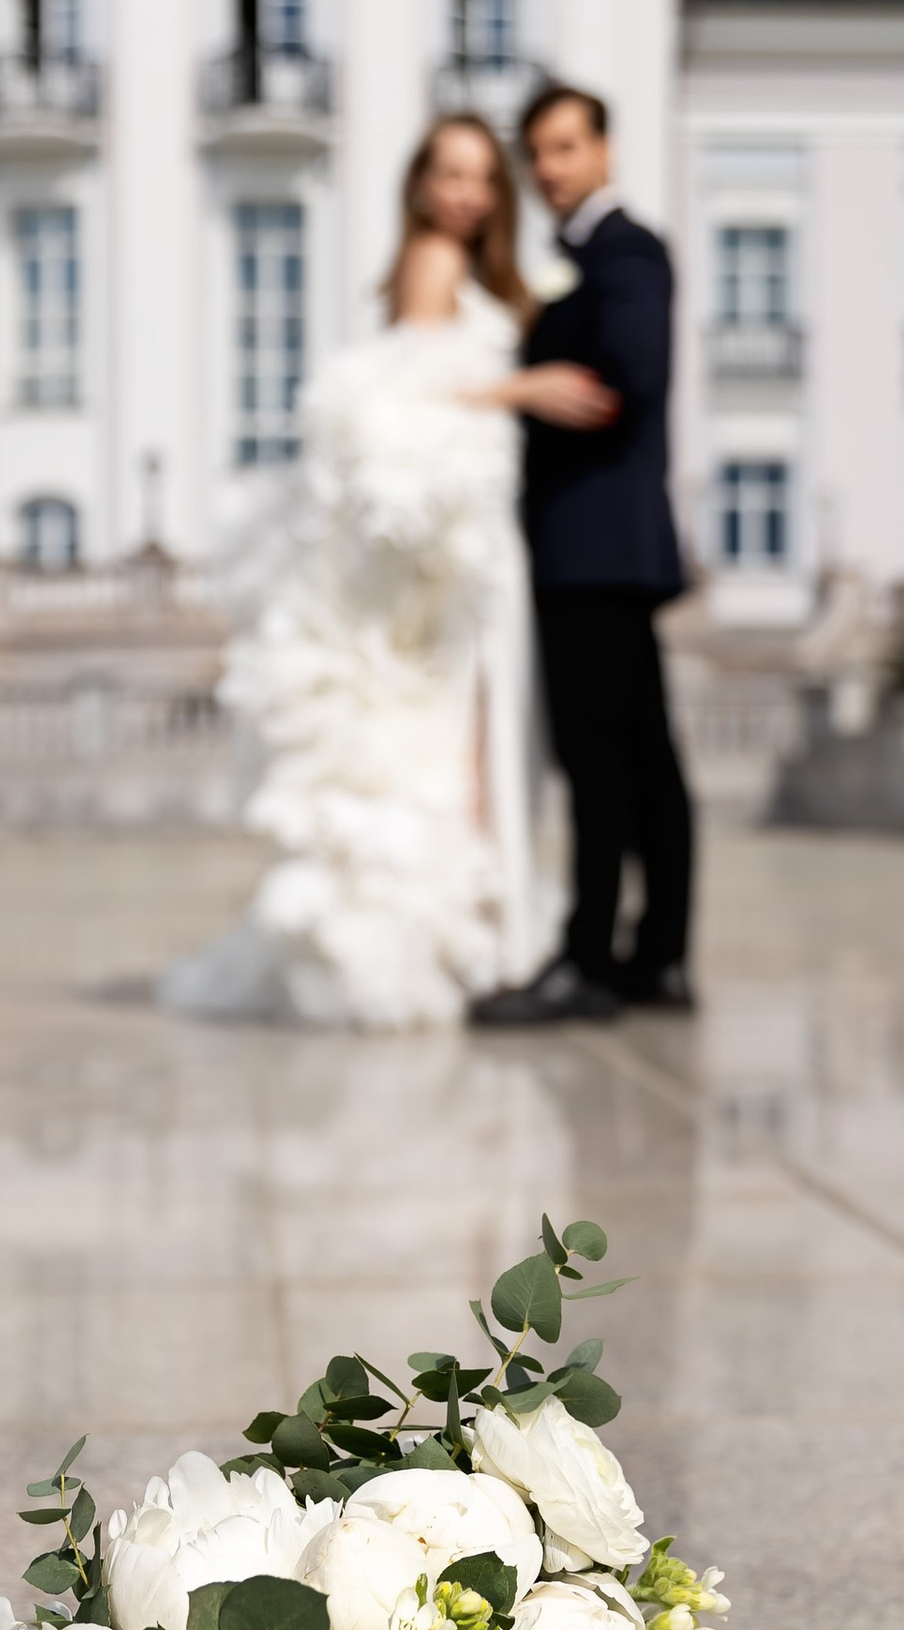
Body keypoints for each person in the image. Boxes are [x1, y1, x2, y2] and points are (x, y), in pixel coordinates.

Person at [158, 115, 585, 1029]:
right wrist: (527, 386)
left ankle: (481, 930)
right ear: (422, 186)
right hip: (461, 542)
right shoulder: (433, 261)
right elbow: (404, 397)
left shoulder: (473, 271)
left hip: (479, 530)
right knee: (471, 733)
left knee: (480, 732)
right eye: (451, 174)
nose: (467, 192)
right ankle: (478, 937)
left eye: (480, 177)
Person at [470, 83, 696, 1027]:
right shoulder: (583, 260)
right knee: (644, 759)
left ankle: (594, 963)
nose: (553, 169)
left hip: (593, 548)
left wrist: (523, 390)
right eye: (540, 154)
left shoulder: (625, 251)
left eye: (567, 148)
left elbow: (621, 382)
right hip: (596, 548)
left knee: (603, 759)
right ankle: (659, 959)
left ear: (603, 149)